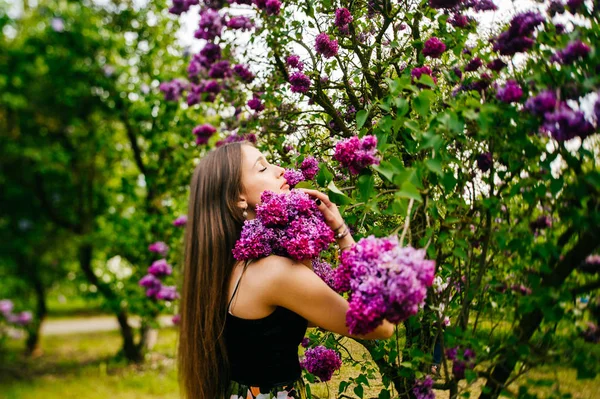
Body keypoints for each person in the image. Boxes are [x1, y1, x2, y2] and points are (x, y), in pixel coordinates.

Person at [178, 142, 395, 399]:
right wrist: (342, 233)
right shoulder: (274, 273)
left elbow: (309, 317)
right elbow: (381, 326)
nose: (280, 170)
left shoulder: (226, 269)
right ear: (238, 198)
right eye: (263, 168)